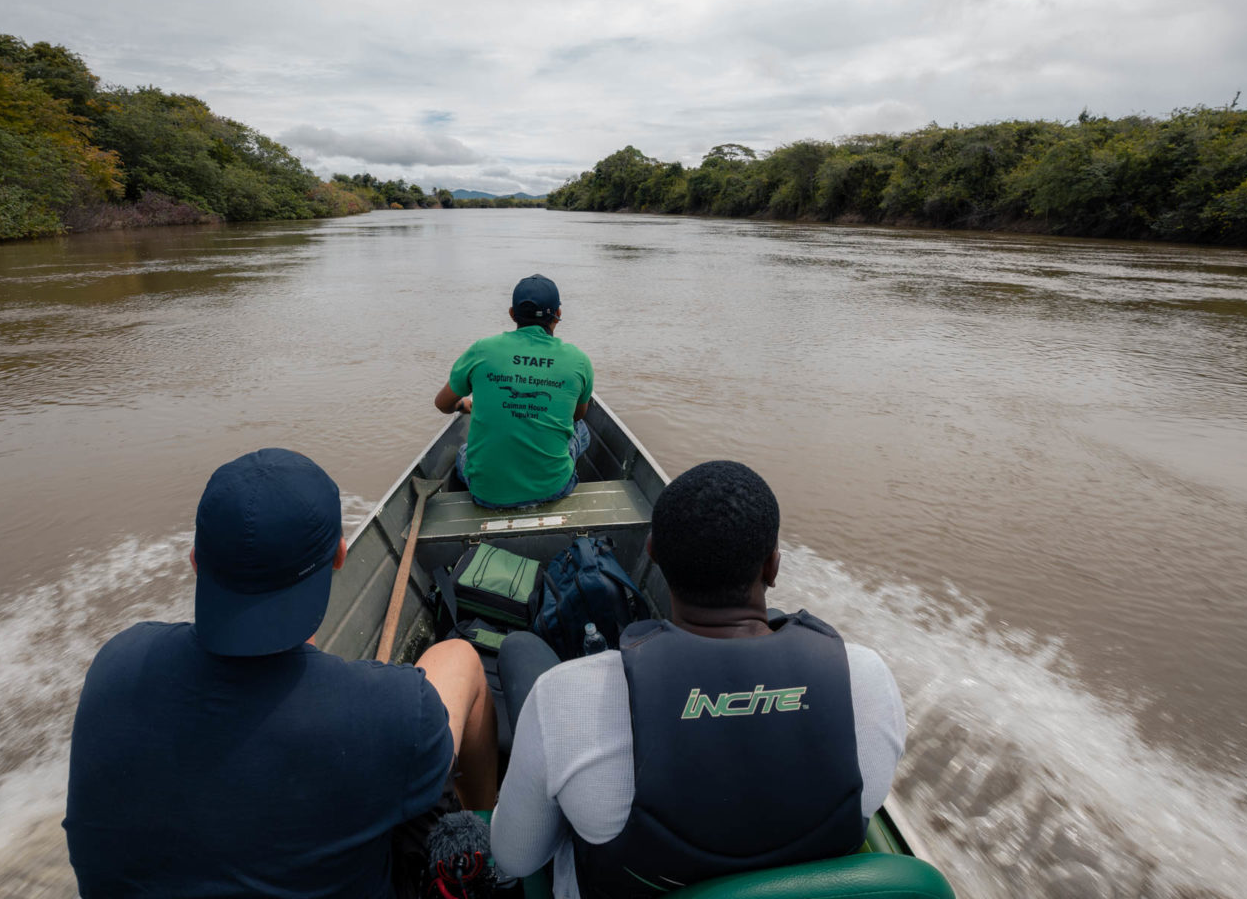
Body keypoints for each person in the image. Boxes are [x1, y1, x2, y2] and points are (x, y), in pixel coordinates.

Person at [64, 448, 498, 899]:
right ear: (340, 557)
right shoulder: (400, 709)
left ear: (196, 561)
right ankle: (486, 829)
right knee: (458, 657)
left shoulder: (115, 662)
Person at [489, 461, 907, 899]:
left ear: (651, 552)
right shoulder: (866, 680)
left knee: (520, 649)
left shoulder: (565, 697)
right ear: (772, 568)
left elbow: (515, 858)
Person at [434, 274, 594, 508]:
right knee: (582, 430)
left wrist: (461, 405)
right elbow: (577, 416)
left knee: (465, 452)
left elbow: (442, 403)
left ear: (512, 314)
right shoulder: (578, 360)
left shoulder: (482, 350)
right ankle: (549, 475)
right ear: (558, 314)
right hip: (553, 489)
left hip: (485, 495)